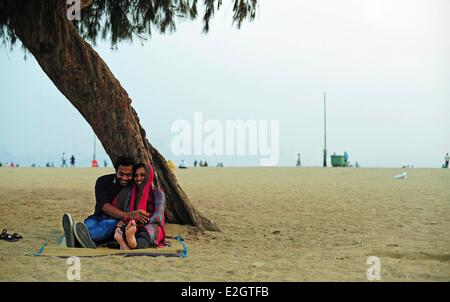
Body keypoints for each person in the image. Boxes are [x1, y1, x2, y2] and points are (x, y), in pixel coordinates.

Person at [62, 156, 150, 248]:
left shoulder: (134, 187)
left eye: (128, 175)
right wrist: (128, 215)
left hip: (114, 221)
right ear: (116, 171)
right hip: (98, 216)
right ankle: (78, 236)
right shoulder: (103, 181)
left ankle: (75, 238)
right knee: (88, 224)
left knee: (105, 227)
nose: (124, 178)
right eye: (121, 174)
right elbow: (104, 206)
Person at [113, 163, 166, 250]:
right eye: (136, 176)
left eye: (142, 175)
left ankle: (131, 244)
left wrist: (140, 221)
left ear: (149, 176)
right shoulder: (130, 192)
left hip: (152, 225)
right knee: (123, 228)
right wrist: (127, 220)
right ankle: (124, 240)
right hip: (133, 223)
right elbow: (126, 210)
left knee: (146, 232)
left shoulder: (158, 194)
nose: (138, 178)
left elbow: (158, 217)